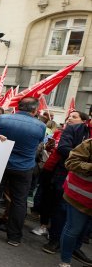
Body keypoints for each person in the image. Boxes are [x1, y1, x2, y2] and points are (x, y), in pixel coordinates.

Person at [0, 97, 46, 246]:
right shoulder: (40, 126)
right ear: (34, 110)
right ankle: (14, 237)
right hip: (24, 167)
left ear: (18, 107)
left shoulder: (2, 118)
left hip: (1, 163)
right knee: (19, 202)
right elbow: (39, 142)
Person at [42, 110, 91, 258]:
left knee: (87, 218)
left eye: (74, 117)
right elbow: (63, 148)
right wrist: (85, 159)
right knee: (63, 209)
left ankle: (76, 246)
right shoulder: (74, 129)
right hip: (68, 176)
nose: (70, 119)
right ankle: (55, 240)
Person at [59, 138, 92, 267]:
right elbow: (71, 163)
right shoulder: (89, 143)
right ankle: (65, 261)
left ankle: (75, 251)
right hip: (79, 196)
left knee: (83, 230)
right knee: (74, 229)